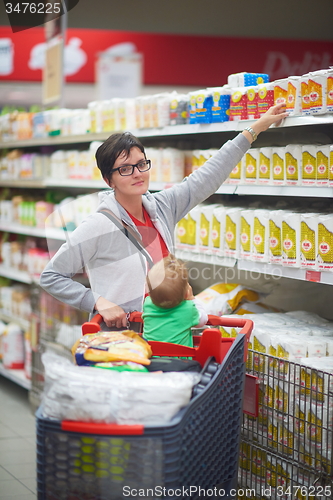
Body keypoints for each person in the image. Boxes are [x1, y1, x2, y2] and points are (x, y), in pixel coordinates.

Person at [40, 103, 288, 329]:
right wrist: (97, 301)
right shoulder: (99, 225)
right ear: (108, 179)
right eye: (125, 169)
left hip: (165, 332)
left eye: (141, 164)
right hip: (121, 339)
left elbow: (206, 178)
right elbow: (51, 276)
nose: (137, 173)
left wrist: (254, 130)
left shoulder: (161, 207)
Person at [142, 254, 208, 347]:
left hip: (151, 357)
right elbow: (203, 320)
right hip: (179, 360)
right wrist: (192, 298)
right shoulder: (188, 308)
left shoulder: (147, 304)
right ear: (186, 293)